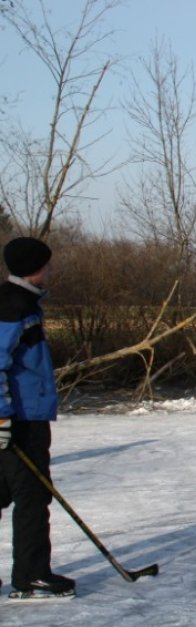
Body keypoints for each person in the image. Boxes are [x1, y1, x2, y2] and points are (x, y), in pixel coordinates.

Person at [0, 237, 76, 599]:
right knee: (32, 496)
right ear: (35, 267)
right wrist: (2, 419)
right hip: (21, 419)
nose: (51, 269)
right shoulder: (15, 306)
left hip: (18, 416)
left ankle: (30, 572)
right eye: (47, 264)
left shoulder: (20, 302)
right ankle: (31, 575)